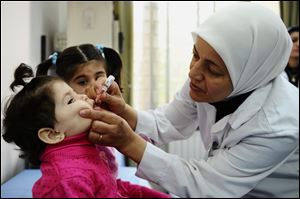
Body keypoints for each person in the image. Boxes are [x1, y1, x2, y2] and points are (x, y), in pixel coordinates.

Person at [79, 2, 299, 198]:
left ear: (249, 75)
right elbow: (169, 121)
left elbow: (206, 185)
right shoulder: (205, 78)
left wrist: (127, 142)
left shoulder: (278, 126)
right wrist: (124, 111)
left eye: (213, 69)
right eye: (195, 54)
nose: (193, 73)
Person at [2, 64, 170, 198]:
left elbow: (113, 187)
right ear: (52, 134)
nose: (83, 96)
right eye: (71, 100)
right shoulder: (67, 181)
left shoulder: (87, 149)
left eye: (75, 93)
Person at [36, 43, 124, 175]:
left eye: (99, 77)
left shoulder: (112, 112)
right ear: (65, 88)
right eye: (82, 82)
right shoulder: (69, 131)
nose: (95, 87)